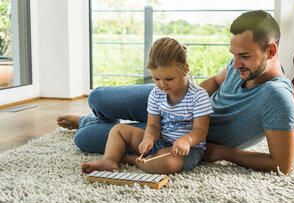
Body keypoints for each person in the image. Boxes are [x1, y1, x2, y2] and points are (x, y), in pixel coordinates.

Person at [58, 10, 294, 175]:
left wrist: (223, 152)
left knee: (85, 138)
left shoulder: (278, 99)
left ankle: (87, 122)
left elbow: (281, 165)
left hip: (185, 135)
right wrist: (182, 97)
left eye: (244, 56)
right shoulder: (243, 65)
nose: (235, 64)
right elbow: (215, 80)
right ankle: (95, 117)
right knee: (97, 97)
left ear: (271, 50)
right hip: (175, 96)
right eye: (233, 54)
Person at [81, 37, 213, 174]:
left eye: (169, 79)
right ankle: (109, 160)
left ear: (185, 69)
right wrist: (148, 138)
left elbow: (200, 130)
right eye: (156, 79)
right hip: (161, 141)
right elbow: (153, 126)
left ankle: (131, 160)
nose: (162, 85)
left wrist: (187, 140)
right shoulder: (156, 94)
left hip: (187, 151)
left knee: (166, 164)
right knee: (118, 130)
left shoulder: (198, 96)